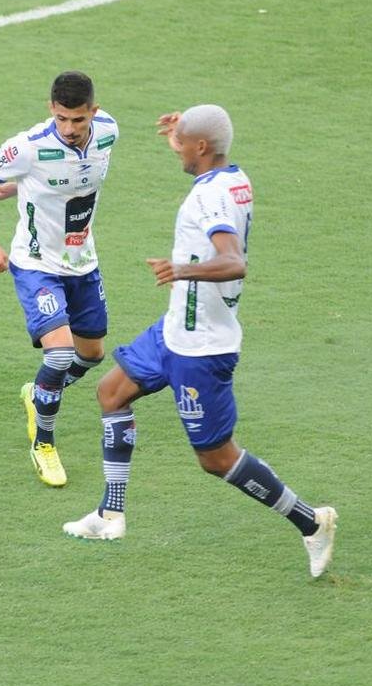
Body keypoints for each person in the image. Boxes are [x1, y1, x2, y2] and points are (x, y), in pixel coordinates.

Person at [62, 104, 338, 578]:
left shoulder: (209, 200)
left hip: (203, 349)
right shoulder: (234, 178)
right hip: (174, 330)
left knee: (215, 458)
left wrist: (182, 270)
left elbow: (233, 261)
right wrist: (181, 132)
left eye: (183, 143)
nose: (176, 150)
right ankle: (110, 515)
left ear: (203, 147)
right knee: (111, 392)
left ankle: (312, 522)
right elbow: (202, 157)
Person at [0, 71, 119, 487]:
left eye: (78, 120)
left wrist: (23, 188)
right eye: (62, 119)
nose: (69, 129)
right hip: (36, 264)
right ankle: (45, 444)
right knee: (58, 354)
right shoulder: (29, 146)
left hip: (83, 262)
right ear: (51, 110)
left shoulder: (109, 133)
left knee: (90, 355)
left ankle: (39, 395)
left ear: (94, 112)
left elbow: (73, 178)